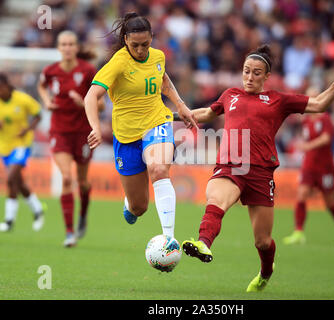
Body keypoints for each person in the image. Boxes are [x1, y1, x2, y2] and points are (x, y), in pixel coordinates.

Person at [181, 45, 334, 292]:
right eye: (246, 72)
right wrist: (172, 115)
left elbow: (318, 104)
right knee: (216, 201)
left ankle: (266, 271)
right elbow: (203, 114)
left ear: (266, 76)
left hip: (262, 173)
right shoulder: (230, 95)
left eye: (256, 73)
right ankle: (203, 242)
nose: (250, 77)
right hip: (232, 165)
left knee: (263, 241)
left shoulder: (278, 100)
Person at [84, 13, 197, 244]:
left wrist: (180, 105)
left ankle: (168, 239)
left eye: (145, 44)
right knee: (139, 206)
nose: (141, 50)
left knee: (158, 170)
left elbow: (163, 80)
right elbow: (91, 95)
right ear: (125, 40)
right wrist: (95, 127)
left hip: (157, 122)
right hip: (126, 135)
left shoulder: (158, 56)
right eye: (135, 45)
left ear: (152, 38)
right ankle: (130, 205)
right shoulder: (118, 62)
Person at [37, 30, 104, 247]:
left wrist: (83, 102)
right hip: (59, 132)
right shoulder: (50, 71)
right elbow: (41, 86)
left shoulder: (87, 71)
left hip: (83, 133)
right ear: (58, 47)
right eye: (63, 44)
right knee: (66, 178)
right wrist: (46, 100)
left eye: (71, 44)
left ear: (76, 48)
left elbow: (101, 104)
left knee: (83, 182)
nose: (67, 48)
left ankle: (83, 213)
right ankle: (69, 232)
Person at [283, 87, 334, 247]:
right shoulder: (306, 121)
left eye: (313, 97)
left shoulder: (325, 119)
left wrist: (307, 146)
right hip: (309, 166)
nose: (310, 100)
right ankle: (298, 232)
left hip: (325, 168)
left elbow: (326, 139)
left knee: (330, 203)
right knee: (301, 195)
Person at [0, 73, 44, 232]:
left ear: (6, 85)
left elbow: (39, 115)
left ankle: (9, 221)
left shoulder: (22, 99)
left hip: (21, 145)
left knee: (11, 178)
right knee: (18, 182)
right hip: (4, 147)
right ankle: (38, 209)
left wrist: (28, 129)